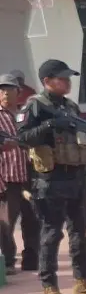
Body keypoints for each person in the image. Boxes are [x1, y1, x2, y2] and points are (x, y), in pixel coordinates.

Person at [18, 60, 86, 294]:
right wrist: (48, 125)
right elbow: (22, 137)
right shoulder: (35, 105)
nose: (68, 82)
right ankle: (49, 286)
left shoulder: (70, 105)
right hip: (51, 178)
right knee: (51, 233)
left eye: (69, 78)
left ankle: (82, 281)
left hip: (76, 175)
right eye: (62, 78)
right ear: (47, 81)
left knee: (79, 231)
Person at [0, 74, 39, 276]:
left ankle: (32, 258)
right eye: (2, 90)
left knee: (33, 219)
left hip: (30, 175)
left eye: (10, 89)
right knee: (6, 223)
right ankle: (8, 261)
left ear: (19, 93)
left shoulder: (25, 114)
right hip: (7, 178)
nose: (5, 93)